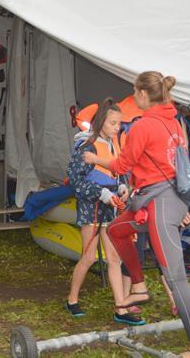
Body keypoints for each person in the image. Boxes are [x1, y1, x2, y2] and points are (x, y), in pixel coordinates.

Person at [84, 71, 190, 357]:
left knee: (175, 278)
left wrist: (94, 158)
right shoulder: (174, 122)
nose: (133, 96)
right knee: (117, 230)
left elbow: (121, 166)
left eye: (134, 91)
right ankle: (138, 286)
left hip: (160, 203)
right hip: (156, 200)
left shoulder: (143, 126)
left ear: (142, 94)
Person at [64, 98, 144, 326]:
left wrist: (121, 188)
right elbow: (76, 181)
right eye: (112, 123)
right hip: (91, 208)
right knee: (89, 257)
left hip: (111, 208)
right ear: (101, 122)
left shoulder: (113, 144)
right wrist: (101, 193)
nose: (117, 128)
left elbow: (117, 173)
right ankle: (72, 300)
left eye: (119, 123)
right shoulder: (86, 146)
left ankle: (121, 307)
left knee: (114, 258)